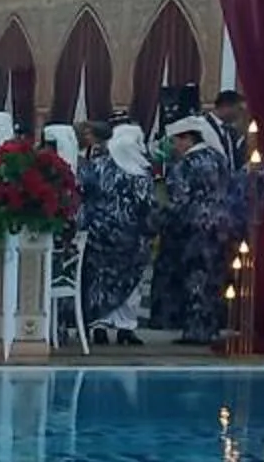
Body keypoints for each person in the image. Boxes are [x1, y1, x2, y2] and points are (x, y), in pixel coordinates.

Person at [151, 115, 236, 346]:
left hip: (193, 230)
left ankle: (195, 330)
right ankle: (211, 327)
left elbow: (178, 200)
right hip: (221, 228)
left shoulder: (185, 165)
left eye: (175, 141)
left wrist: (159, 220)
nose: (174, 148)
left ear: (187, 138)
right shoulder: (219, 158)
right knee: (214, 279)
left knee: (195, 279)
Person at [81, 122, 154, 345]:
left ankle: (99, 325)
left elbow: (85, 196)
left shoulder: (98, 166)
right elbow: (147, 205)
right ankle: (125, 327)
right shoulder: (141, 172)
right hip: (132, 237)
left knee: (100, 279)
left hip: (100, 233)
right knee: (129, 283)